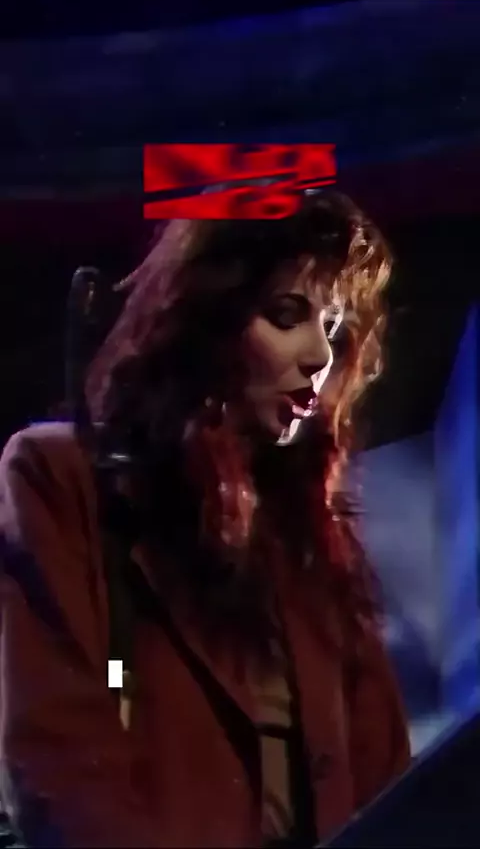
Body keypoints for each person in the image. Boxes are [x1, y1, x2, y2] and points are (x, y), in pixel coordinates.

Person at [0, 190, 410, 849]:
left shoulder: (313, 537)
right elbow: (59, 757)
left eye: (334, 328)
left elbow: (386, 779)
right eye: (286, 314)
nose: (321, 356)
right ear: (206, 317)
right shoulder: (64, 477)